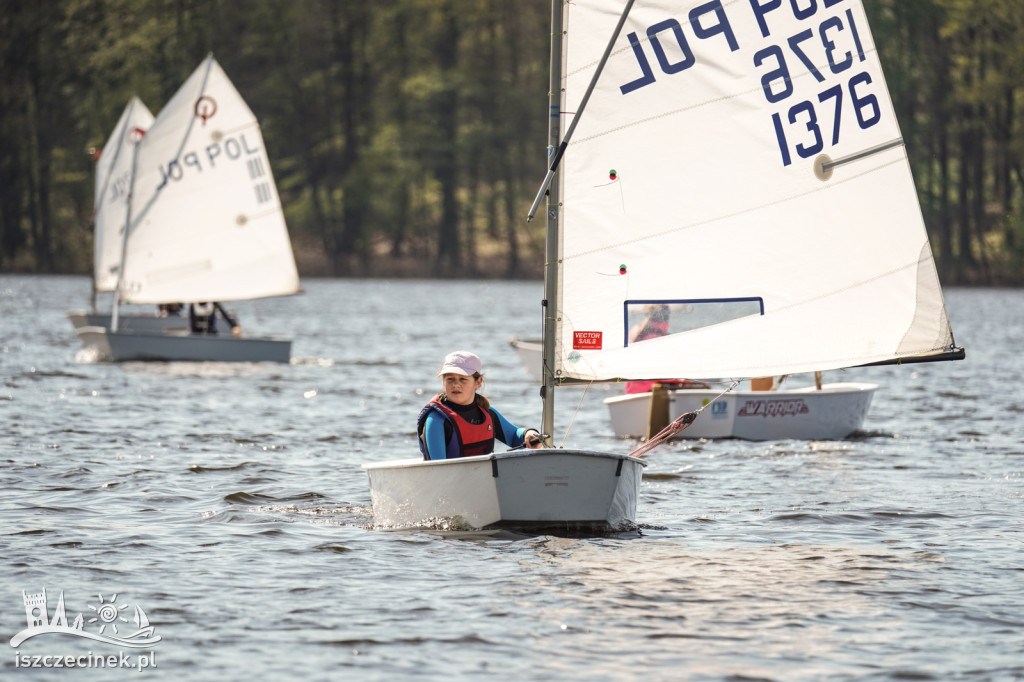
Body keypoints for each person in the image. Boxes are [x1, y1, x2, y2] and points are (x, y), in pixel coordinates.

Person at [417, 350, 544, 460]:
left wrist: (528, 433)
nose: (456, 384)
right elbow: (437, 468)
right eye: (450, 379)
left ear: (478, 382)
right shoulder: (436, 420)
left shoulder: (487, 413)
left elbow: (513, 435)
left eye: (463, 379)